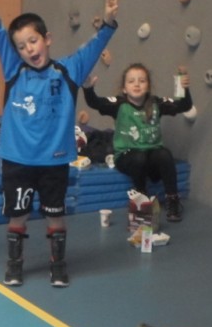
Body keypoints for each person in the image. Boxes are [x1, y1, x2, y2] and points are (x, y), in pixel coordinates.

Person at [0, 0, 120, 288]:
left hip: (54, 161)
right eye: (22, 46)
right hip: (17, 161)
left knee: (55, 214)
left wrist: (107, 20)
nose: (29, 49)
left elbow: (94, 47)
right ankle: (15, 264)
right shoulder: (14, 69)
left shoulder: (69, 70)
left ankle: (58, 265)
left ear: (47, 39)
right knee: (18, 215)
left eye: (33, 41)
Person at [82, 64, 192, 222]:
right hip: (127, 157)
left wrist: (185, 89)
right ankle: (141, 197)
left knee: (165, 154)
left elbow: (184, 106)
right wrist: (88, 89)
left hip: (151, 157)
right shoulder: (119, 104)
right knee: (139, 157)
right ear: (124, 88)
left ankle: (172, 200)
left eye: (142, 81)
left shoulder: (156, 104)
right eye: (131, 81)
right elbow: (95, 103)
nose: (137, 84)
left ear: (148, 86)